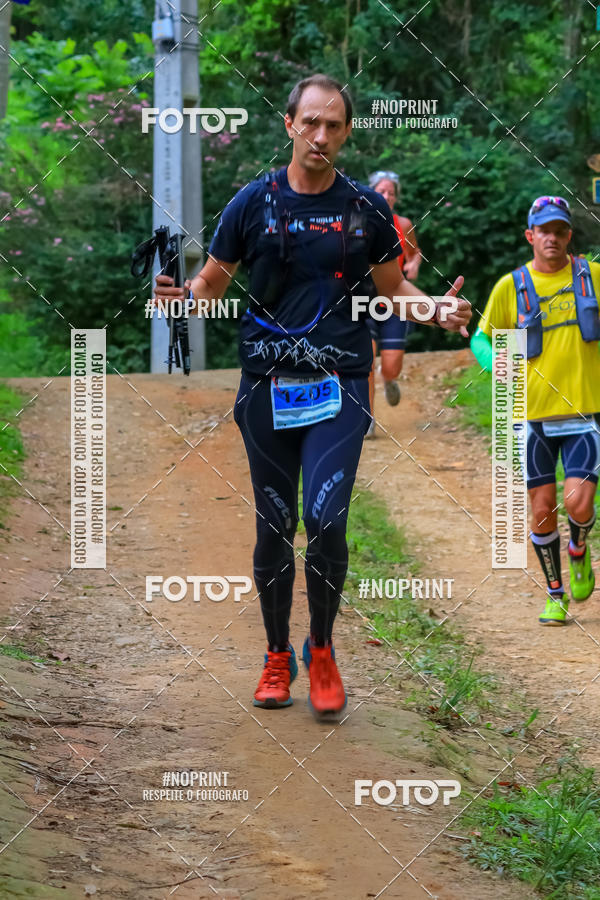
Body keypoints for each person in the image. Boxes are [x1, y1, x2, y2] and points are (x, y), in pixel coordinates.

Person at [154, 73, 471, 718]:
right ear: (290, 124)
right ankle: (277, 656)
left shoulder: (366, 211)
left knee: (326, 522)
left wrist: (436, 308)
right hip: (267, 387)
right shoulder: (251, 203)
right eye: (310, 122)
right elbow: (211, 285)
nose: (320, 135)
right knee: (275, 525)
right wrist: (184, 299)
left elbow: (391, 291)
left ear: (347, 133)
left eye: (334, 125)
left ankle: (320, 648)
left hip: (341, 386)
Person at [471, 196, 600, 625]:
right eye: (544, 230)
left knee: (578, 503)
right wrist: (496, 364)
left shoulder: (592, 277)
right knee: (542, 509)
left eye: (560, 230)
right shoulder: (512, 286)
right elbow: (481, 339)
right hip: (533, 419)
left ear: (569, 235)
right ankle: (555, 592)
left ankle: (579, 546)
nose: (552, 237)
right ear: (531, 236)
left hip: (585, 415)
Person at [365, 171, 422, 433]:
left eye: (391, 193)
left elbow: (414, 252)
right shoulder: (358, 220)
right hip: (363, 299)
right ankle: (368, 418)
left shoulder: (403, 224)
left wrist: (413, 264)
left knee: (391, 364)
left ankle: (389, 379)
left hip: (394, 298)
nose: (386, 197)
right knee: (365, 357)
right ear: (371, 192)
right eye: (382, 191)